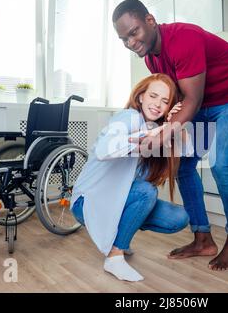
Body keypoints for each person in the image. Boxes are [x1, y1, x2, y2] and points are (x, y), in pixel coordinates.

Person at [112, 0, 228, 271]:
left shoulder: (183, 38)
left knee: (221, 164)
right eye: (124, 39)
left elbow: (192, 98)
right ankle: (202, 238)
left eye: (133, 32)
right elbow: (180, 95)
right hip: (204, 105)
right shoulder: (150, 56)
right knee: (183, 165)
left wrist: (165, 132)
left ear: (150, 20)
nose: (131, 42)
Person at [70, 73, 191, 282]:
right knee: (146, 192)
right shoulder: (129, 117)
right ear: (141, 96)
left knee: (178, 218)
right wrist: (144, 139)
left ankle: (120, 235)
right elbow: (102, 149)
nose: (157, 105)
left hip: (117, 200)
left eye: (165, 101)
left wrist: (173, 124)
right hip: (88, 202)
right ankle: (115, 256)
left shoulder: (155, 129)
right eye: (153, 96)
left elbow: (188, 149)